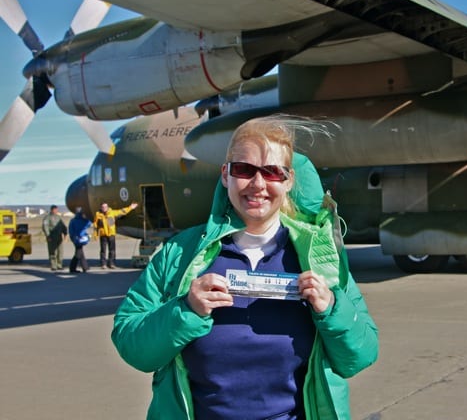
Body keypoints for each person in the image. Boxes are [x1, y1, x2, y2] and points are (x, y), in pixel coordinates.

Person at [111, 115, 379, 420]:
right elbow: (132, 344)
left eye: (272, 172)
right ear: (225, 175)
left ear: (289, 180)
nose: (258, 184)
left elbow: (360, 356)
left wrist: (331, 308)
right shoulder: (179, 254)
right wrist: (185, 309)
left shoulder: (318, 257)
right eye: (243, 170)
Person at [94, 201, 138, 269]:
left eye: (105, 207)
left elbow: (122, 211)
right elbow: (95, 225)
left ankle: (111, 263)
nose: (104, 208)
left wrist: (130, 207)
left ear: (107, 207)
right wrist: (95, 235)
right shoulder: (98, 215)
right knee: (103, 250)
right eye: (103, 207)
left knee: (112, 250)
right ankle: (103, 264)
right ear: (101, 208)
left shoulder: (112, 213)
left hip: (111, 234)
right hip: (103, 235)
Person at [42, 204, 67, 271]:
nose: (56, 211)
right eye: (55, 209)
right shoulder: (47, 218)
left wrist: (65, 233)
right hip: (52, 237)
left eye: (57, 209)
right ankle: (53, 265)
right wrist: (48, 236)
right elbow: (45, 227)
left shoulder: (58, 217)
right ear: (52, 210)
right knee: (53, 252)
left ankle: (59, 265)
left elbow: (62, 225)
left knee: (60, 251)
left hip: (59, 237)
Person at [68, 207, 92, 273]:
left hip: (75, 238)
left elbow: (70, 230)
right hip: (78, 239)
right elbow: (89, 224)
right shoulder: (82, 220)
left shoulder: (73, 220)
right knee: (78, 254)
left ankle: (85, 267)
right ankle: (72, 268)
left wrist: (72, 237)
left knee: (80, 252)